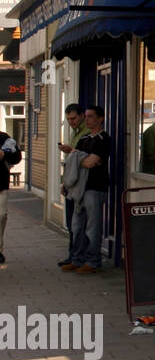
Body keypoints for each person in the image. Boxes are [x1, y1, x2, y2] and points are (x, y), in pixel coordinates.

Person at [63, 105, 110, 274]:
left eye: (91, 116)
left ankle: (93, 261)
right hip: (79, 189)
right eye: (87, 116)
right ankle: (77, 259)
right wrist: (81, 157)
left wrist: (76, 156)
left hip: (95, 188)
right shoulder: (84, 139)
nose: (87, 119)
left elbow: (91, 162)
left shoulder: (103, 139)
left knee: (92, 226)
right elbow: (84, 161)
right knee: (77, 227)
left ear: (100, 118)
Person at [56, 103, 88, 267]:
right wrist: (64, 183)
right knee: (71, 223)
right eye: (68, 119)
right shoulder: (74, 132)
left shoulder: (86, 134)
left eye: (73, 118)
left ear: (82, 115)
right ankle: (72, 255)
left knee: (78, 224)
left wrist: (70, 150)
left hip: (81, 185)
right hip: (71, 184)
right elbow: (69, 163)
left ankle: (78, 257)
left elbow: (81, 159)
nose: (71, 122)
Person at [0, 128, 23, 264]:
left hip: (0, 186)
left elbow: (17, 157)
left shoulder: (4, 138)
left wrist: (4, 156)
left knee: (1, 215)